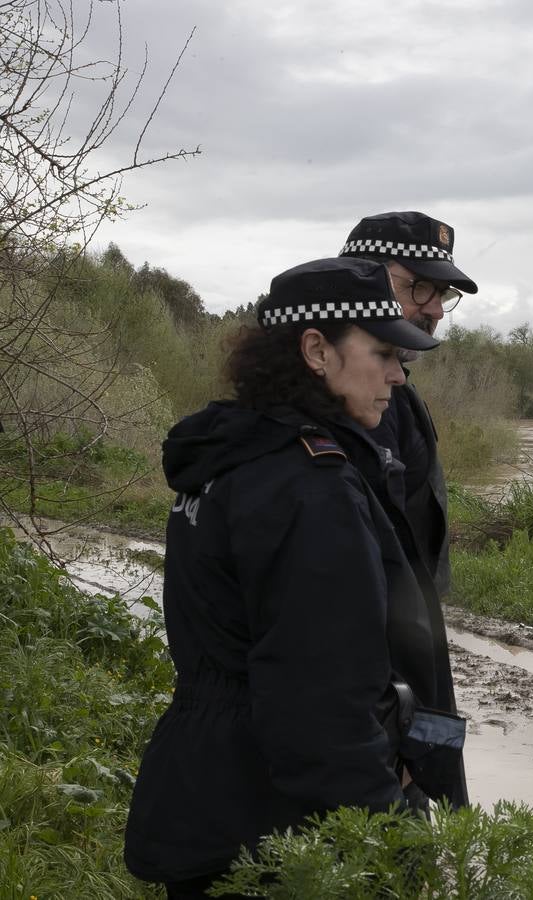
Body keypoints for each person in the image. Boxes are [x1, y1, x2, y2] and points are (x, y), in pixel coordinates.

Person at [124, 258, 466, 898]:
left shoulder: (230, 455)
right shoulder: (309, 487)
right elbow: (321, 705)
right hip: (277, 828)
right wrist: (390, 839)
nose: (398, 374)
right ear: (316, 350)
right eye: (384, 353)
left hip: (209, 794)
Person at [338, 211, 476, 801]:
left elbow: (416, 579)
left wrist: (424, 742)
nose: (435, 307)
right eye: (418, 285)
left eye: (441, 292)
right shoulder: (300, 417)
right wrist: (379, 746)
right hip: (353, 723)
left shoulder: (401, 406)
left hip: (405, 692)